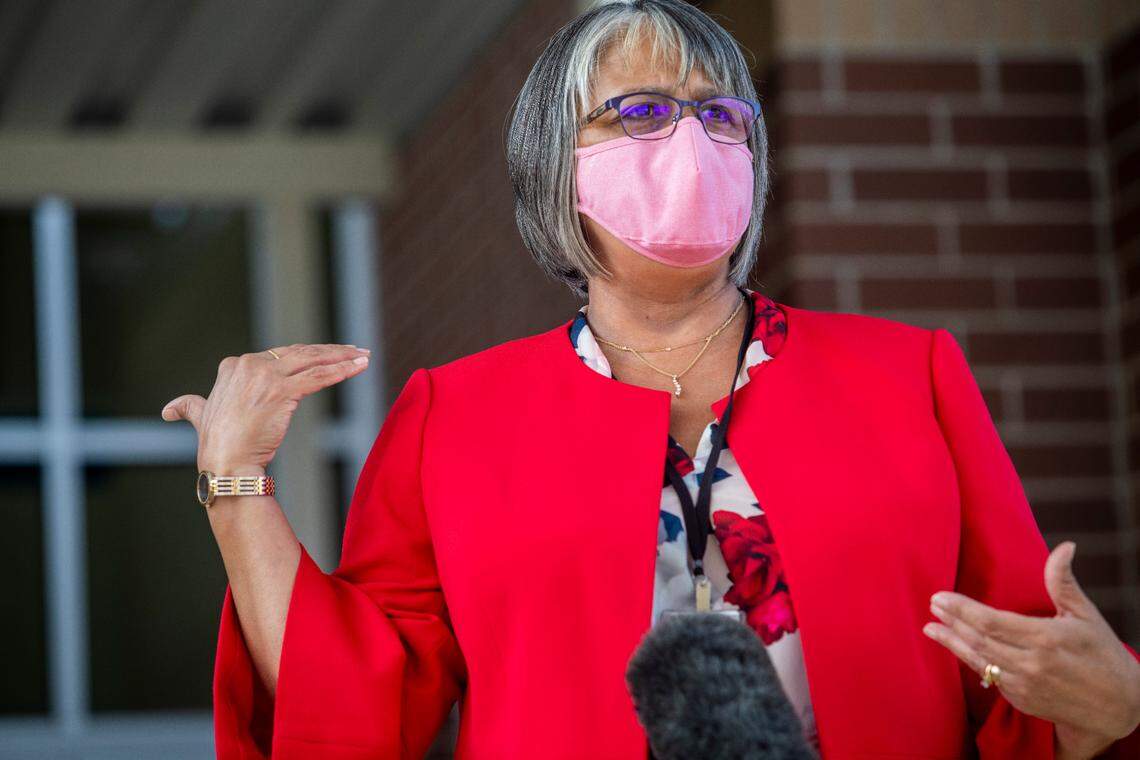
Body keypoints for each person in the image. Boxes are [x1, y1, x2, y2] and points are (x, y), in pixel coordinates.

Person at [161, 1, 1140, 758]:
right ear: (554, 160)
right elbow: (357, 711)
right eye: (639, 111)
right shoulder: (450, 418)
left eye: (721, 115)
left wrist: (1117, 706)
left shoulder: (911, 376)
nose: (690, 139)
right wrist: (235, 489)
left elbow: (1033, 694)